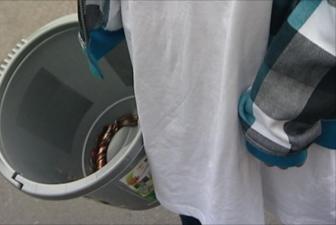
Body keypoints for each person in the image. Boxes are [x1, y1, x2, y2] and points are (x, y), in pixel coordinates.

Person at [78, 0, 336, 224]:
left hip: (300, 66)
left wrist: (291, 97)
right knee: (199, 189)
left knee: (309, 199)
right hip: (171, 51)